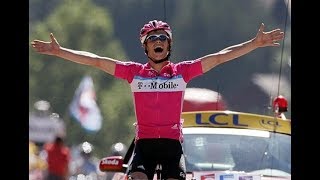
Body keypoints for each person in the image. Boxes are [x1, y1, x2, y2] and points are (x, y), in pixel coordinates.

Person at [31, 19, 284, 180]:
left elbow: (219, 57)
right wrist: (60, 51)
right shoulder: (134, 73)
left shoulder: (182, 72)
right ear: (145, 47)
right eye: (153, 39)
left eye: (163, 37)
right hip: (144, 147)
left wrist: (253, 44)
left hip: (173, 148)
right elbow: (96, 60)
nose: (159, 41)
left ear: (169, 44)